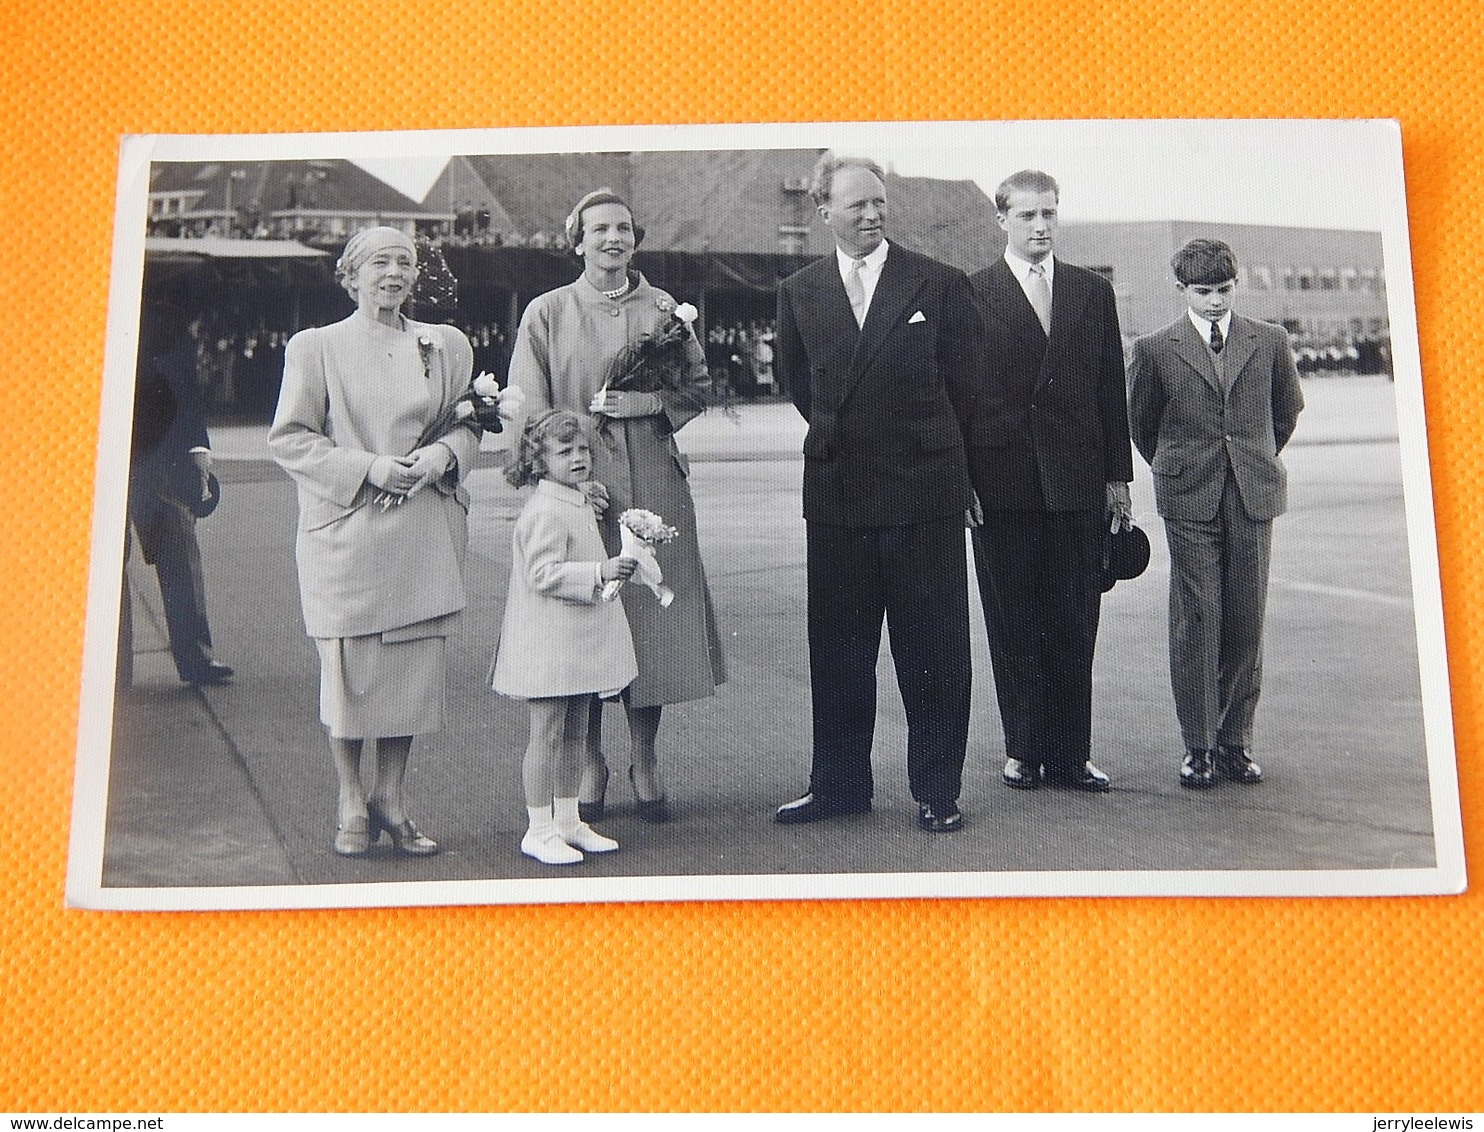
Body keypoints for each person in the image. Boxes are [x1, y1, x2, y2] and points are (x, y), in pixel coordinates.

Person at [772, 152, 985, 833]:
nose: (871, 214)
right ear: (823, 210)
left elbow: (972, 388)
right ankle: (837, 785)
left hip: (924, 492)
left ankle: (937, 789)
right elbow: (799, 381)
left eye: (879, 203)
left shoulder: (938, 283)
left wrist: (963, 478)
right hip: (839, 493)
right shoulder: (800, 290)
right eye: (856, 204)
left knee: (933, 649)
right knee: (838, 649)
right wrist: (847, 432)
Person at [507, 188, 726, 825]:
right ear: (577, 240)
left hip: (653, 479)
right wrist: (569, 472)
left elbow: (698, 386)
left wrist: (651, 405)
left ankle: (645, 758)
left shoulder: (664, 309)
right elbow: (529, 407)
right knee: (586, 620)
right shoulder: (547, 312)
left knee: (650, 624)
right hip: (580, 488)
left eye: (624, 229)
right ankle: (591, 760)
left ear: (636, 239)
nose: (613, 239)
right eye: (599, 229)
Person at [269, 226, 482, 857]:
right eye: (380, 262)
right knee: (349, 671)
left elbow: (470, 426)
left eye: (405, 262)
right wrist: (371, 467)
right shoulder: (317, 347)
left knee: (409, 676)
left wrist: (442, 457)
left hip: (422, 530)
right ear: (351, 274)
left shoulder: (445, 345)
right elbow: (290, 439)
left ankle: (391, 797)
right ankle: (349, 798)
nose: (394, 273)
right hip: (349, 532)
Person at [967, 170, 1134, 794]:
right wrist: (964, 479)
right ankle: (1024, 748)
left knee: (1073, 615)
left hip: (1077, 481)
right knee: (1012, 616)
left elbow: (1110, 391)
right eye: (1028, 215)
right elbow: (958, 395)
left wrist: (1118, 476)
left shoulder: (1093, 293)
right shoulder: (973, 292)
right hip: (1001, 483)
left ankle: (1071, 752)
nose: (1040, 226)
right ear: (1001, 219)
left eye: (1050, 214)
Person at [1127, 238, 1304, 788]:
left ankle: (1236, 742)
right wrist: (1174, 466)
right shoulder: (1156, 348)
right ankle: (1198, 744)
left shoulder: (1270, 340)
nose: (1214, 302)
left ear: (1236, 284)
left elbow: (1287, 409)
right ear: (1180, 289)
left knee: (1246, 617)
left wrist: (1253, 456)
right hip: (1188, 495)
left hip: (1251, 491)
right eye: (1203, 292)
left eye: (1224, 290)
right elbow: (1142, 422)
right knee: (1197, 617)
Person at [491, 410, 640, 864]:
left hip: (574, 642)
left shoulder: (572, 500)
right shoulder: (544, 511)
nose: (578, 458)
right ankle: (538, 829)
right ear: (539, 461)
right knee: (548, 732)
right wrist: (600, 571)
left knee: (576, 730)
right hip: (548, 644)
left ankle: (568, 819)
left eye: (582, 450)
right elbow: (543, 574)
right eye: (564, 451)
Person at [123, 298, 233, 687]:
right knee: (103, 561)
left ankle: (196, 658)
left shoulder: (164, 316)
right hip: (95, 449)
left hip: (159, 452)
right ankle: (112, 666)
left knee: (178, 552)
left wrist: (197, 447)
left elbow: (183, 387)